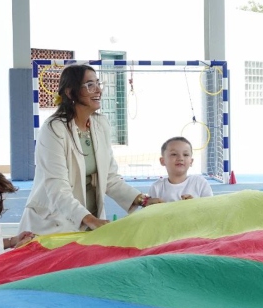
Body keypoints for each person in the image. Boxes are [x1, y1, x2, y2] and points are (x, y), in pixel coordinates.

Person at [19, 64, 162, 235]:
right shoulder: (53, 129)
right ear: (70, 92)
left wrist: (143, 200)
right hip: (53, 223)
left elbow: (110, 178)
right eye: (89, 85)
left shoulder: (101, 124)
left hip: (89, 222)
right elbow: (57, 187)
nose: (98, 90)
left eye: (98, 83)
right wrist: (90, 220)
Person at [148, 137, 214, 201]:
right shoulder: (156, 188)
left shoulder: (200, 183)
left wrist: (194, 204)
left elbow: (210, 206)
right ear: (162, 161)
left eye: (185, 155)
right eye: (174, 154)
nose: (180, 158)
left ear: (191, 161)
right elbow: (149, 207)